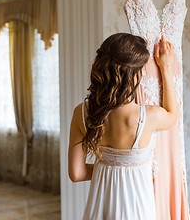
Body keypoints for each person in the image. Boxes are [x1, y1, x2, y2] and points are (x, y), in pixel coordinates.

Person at [68, 33, 177, 219]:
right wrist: (166, 69)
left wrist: (108, 168)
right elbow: (172, 115)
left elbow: (76, 173)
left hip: (100, 207)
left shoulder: (81, 113)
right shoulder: (148, 116)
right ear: (133, 75)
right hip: (137, 209)